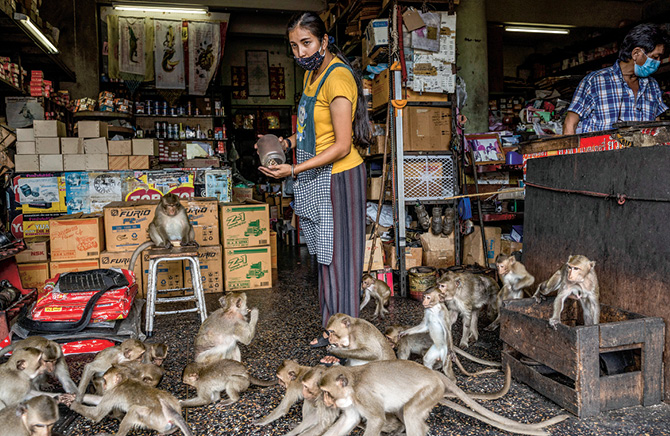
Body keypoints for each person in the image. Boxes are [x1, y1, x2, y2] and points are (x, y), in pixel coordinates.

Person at [258, 11, 370, 359]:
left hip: (341, 178)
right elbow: (311, 132)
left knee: (343, 262)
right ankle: (330, 331)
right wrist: (283, 144)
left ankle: (347, 344)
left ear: (323, 41)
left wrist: (293, 169)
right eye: (294, 46)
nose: (301, 53)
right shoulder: (314, 77)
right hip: (320, 175)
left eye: (306, 43)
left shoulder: (337, 78)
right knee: (325, 259)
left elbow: (340, 145)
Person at [563, 23, 669, 135]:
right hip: (601, 152)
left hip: (642, 152)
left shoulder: (652, 85)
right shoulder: (595, 81)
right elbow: (570, 123)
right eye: (655, 57)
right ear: (636, 53)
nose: (658, 61)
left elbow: (656, 126)